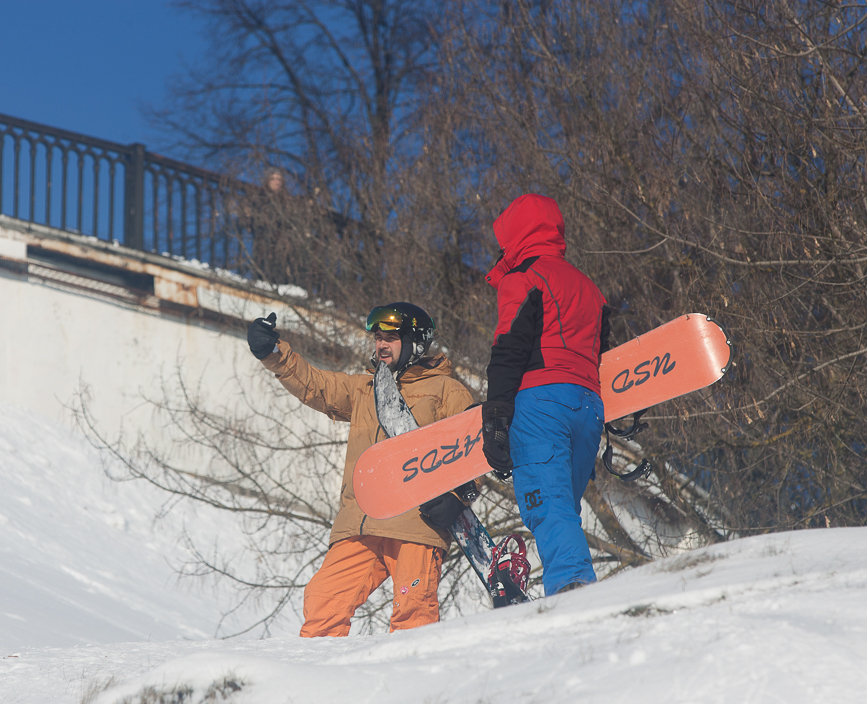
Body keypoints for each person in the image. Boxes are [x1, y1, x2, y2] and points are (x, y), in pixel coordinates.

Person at [246, 303, 475, 636]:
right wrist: (274, 354)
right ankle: (316, 683)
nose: (381, 344)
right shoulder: (365, 391)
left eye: (391, 337)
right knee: (323, 603)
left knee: (414, 614)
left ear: (415, 341)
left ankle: (414, 683)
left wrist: (459, 496)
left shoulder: (446, 391)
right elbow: (316, 385)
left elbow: (472, 446)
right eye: (378, 337)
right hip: (361, 521)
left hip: (416, 523)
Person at [479, 194, 611, 597]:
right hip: (588, 406)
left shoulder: (523, 279)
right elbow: (602, 354)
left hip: (540, 403)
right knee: (565, 509)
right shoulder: (591, 289)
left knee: (547, 507)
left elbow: (509, 349)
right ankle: (567, 582)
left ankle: (573, 588)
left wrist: (497, 419)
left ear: (518, 235)